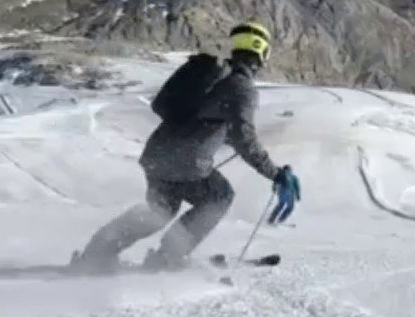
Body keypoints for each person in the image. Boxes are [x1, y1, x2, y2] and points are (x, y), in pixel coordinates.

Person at [72, 21, 297, 272]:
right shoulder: (241, 88)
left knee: (160, 210)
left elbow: (181, 113)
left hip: (156, 156)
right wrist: (275, 174)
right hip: (189, 163)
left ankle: (98, 252)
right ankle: (169, 256)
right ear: (263, 53)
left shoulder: (208, 77)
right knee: (219, 195)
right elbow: (245, 138)